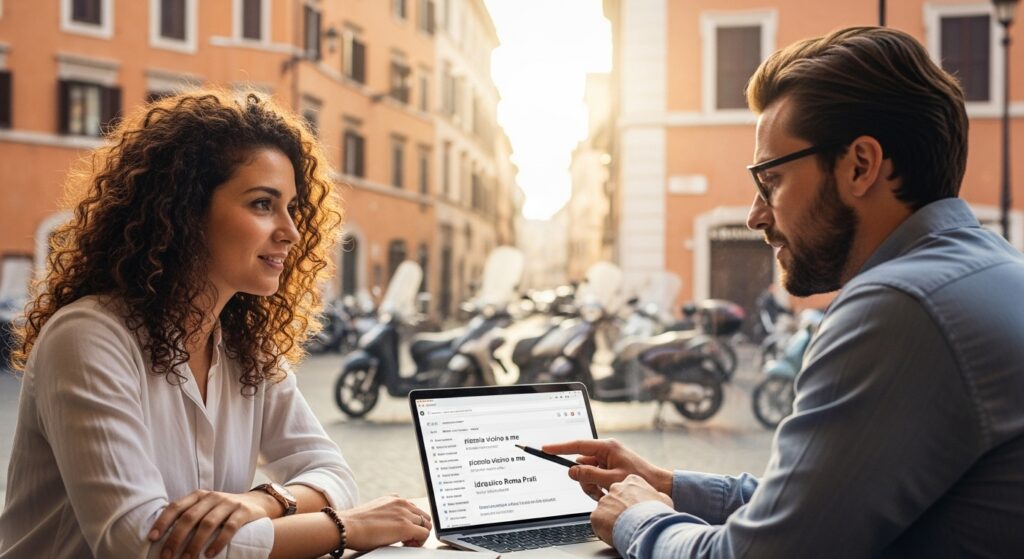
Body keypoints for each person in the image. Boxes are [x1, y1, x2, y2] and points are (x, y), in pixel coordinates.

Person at [546, 26, 1024, 558]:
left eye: (770, 181)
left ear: (860, 166)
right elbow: (822, 504)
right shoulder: (990, 270)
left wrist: (638, 518)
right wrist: (668, 486)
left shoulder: (901, 306)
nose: (755, 216)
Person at [0, 90, 432, 558]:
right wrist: (346, 527)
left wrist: (260, 501)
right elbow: (143, 542)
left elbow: (332, 472)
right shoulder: (88, 337)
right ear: (183, 211)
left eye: (291, 208)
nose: (290, 231)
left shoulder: (246, 348)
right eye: (263, 204)